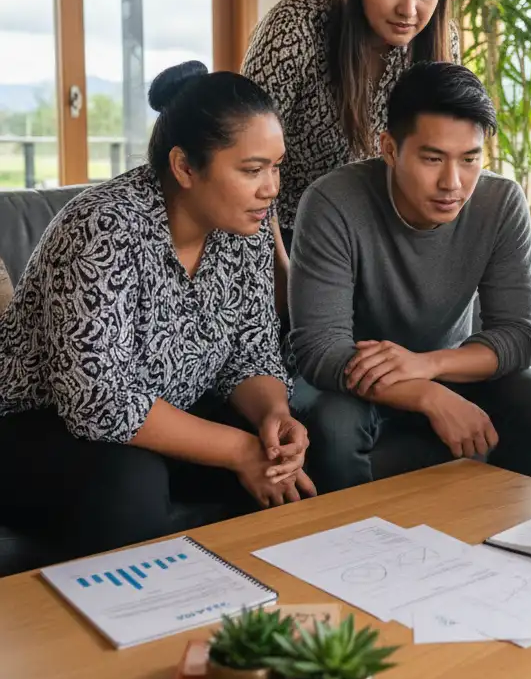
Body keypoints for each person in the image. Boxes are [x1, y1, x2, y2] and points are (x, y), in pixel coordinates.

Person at [0, 61, 315, 559]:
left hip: (165, 414)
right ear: (185, 167)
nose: (271, 187)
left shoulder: (249, 224)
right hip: (37, 428)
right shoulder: (103, 227)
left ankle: (258, 620)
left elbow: (252, 353)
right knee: (132, 481)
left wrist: (273, 418)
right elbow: (97, 402)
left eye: (276, 167)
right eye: (252, 170)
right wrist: (238, 451)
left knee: (286, 455)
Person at [288, 62, 531, 492]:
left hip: (446, 364)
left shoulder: (500, 202)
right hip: (346, 381)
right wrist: (425, 392)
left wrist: (430, 366)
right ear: (390, 148)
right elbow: (321, 350)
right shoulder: (332, 202)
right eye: (432, 159)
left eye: (470, 159)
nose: (452, 183)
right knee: (335, 425)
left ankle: (525, 545)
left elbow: (519, 335)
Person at [242, 0, 461, 307]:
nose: (409, 10)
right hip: (284, 234)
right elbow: (245, 161)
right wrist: (282, 275)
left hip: (378, 240)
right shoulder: (296, 26)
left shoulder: (439, 40)